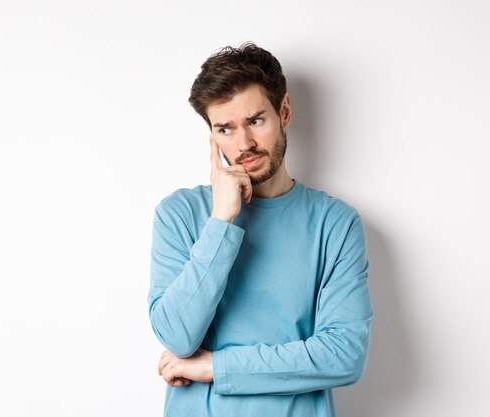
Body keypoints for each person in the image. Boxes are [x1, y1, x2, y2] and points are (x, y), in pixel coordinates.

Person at [148, 42, 373, 417]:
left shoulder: (335, 224)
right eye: (225, 129)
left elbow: (344, 355)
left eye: (255, 121)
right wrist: (222, 218)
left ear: (284, 111)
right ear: (211, 135)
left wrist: (215, 368)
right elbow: (177, 337)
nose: (244, 144)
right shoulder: (180, 214)